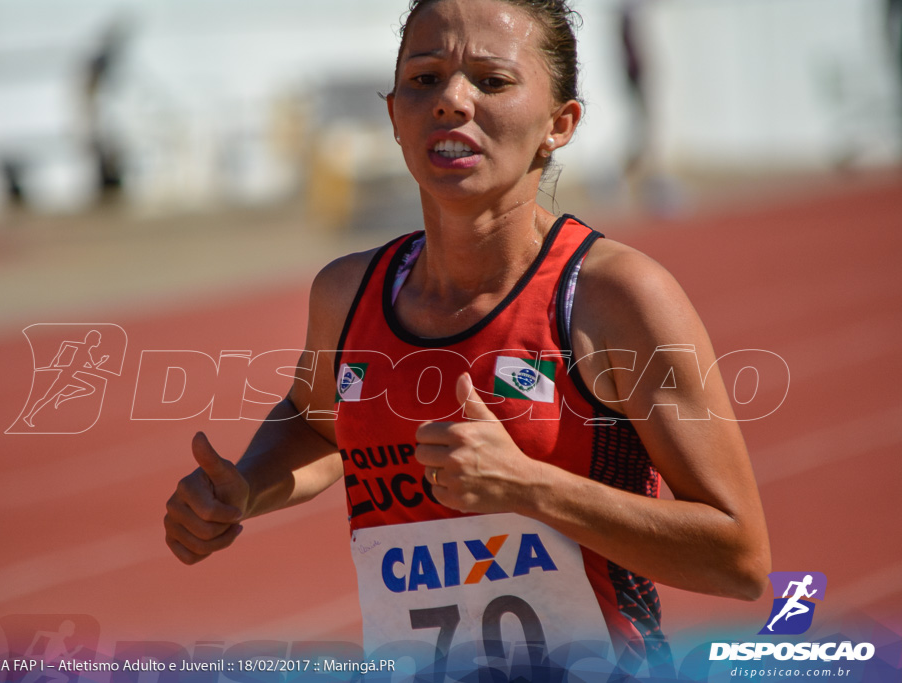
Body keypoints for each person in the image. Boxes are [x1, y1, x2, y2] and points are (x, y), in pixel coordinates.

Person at [164, 0, 771, 675]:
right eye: (425, 79)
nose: (452, 101)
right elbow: (317, 425)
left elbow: (738, 558)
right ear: (394, 115)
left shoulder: (614, 298)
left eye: (491, 80)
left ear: (560, 124)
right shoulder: (347, 294)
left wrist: (530, 487)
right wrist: (244, 486)